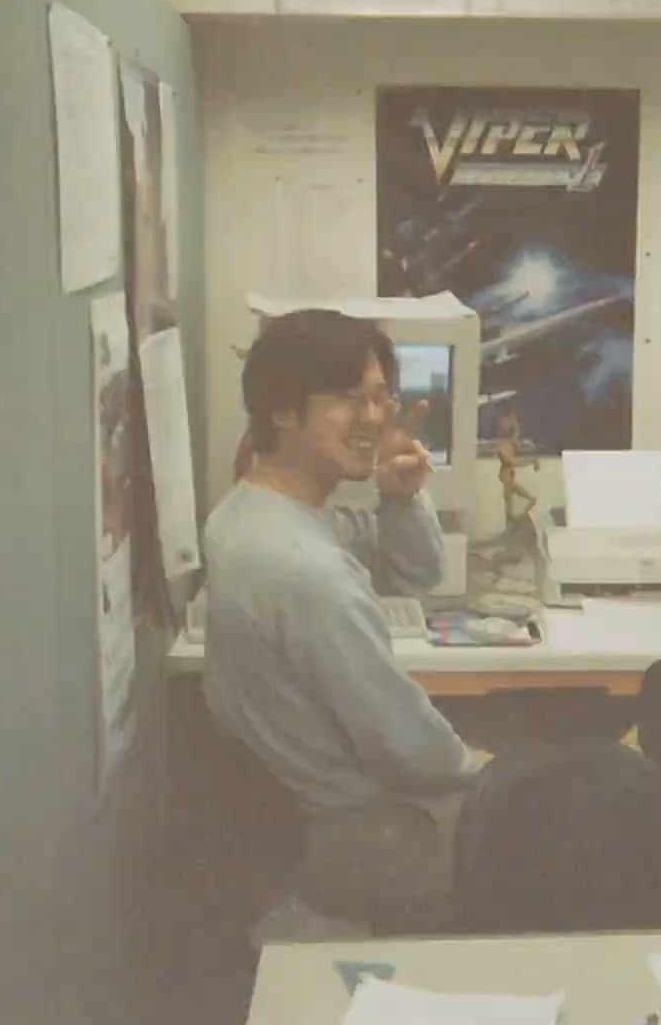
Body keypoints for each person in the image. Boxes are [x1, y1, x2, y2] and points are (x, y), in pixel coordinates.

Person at [201, 307, 483, 930]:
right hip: (371, 846)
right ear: (283, 410)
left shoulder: (248, 515)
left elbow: (414, 572)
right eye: (351, 400)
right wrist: (492, 770)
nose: (374, 418)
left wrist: (400, 496)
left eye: (381, 397)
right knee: (586, 815)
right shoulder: (308, 572)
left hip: (309, 825)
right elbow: (413, 753)